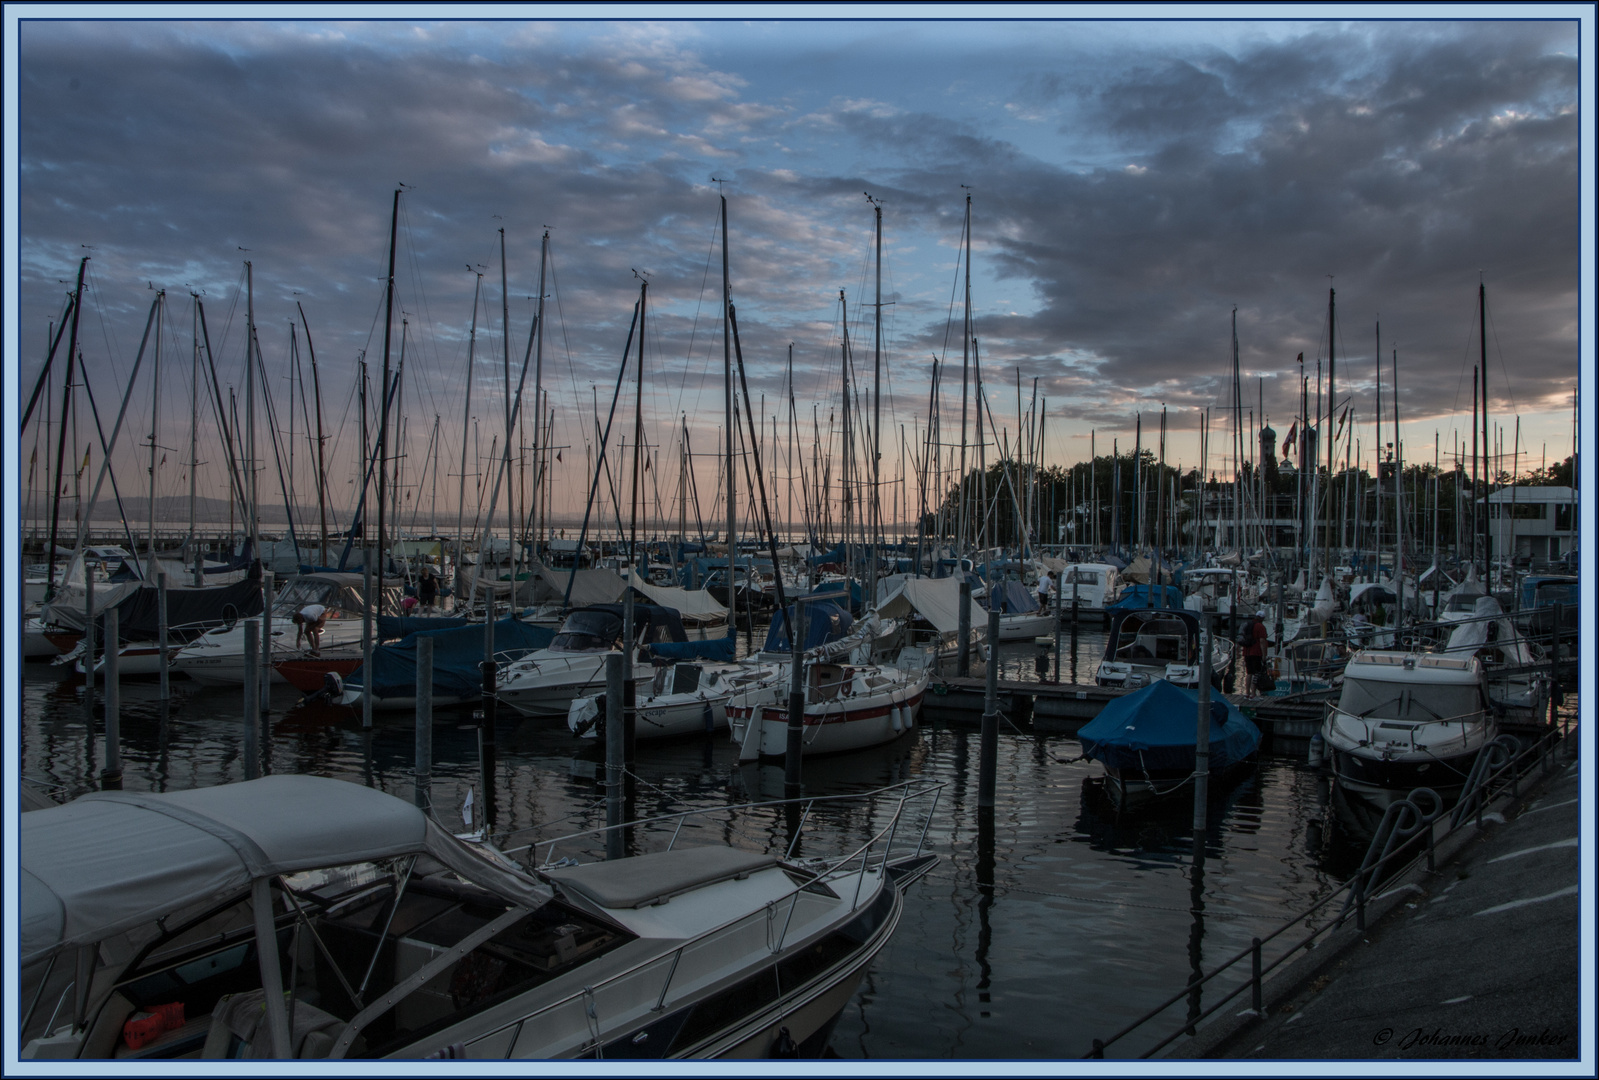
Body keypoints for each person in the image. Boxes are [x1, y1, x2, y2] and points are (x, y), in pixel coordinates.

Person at [1242, 609, 1270, 696]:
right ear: (1262, 618)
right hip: (1256, 652)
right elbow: (1262, 641)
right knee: (1256, 673)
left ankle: (1247, 692)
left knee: (1249, 673)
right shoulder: (1260, 627)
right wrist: (1264, 655)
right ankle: (1253, 693)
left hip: (1246, 651)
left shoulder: (1248, 625)